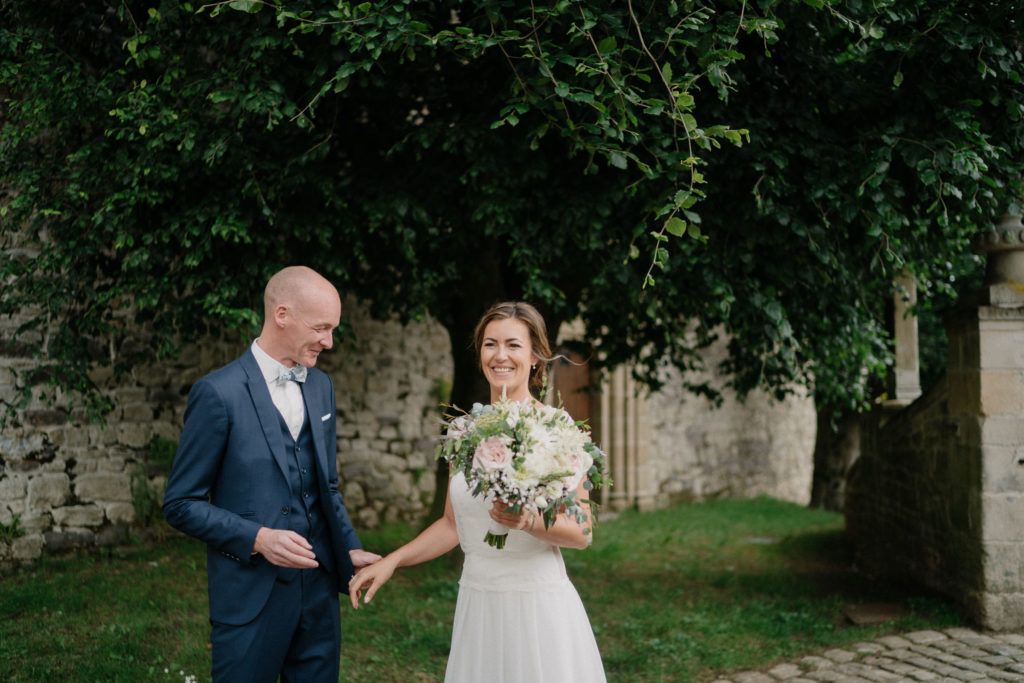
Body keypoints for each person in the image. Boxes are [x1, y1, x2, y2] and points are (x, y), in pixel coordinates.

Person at [348, 301, 607, 682]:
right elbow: (452, 525)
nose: (500, 355)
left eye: (513, 345)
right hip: (479, 601)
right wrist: (392, 561)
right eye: (490, 344)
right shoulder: (463, 432)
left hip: (537, 606)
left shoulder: (558, 429)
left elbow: (582, 532)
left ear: (535, 356)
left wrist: (528, 521)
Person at [163, 265, 381, 683]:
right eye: (321, 328)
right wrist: (259, 538)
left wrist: (348, 548)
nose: (329, 342)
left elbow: (327, 486)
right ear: (282, 315)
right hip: (250, 596)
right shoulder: (218, 393)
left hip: (318, 591)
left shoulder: (321, 386)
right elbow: (180, 504)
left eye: (332, 329)